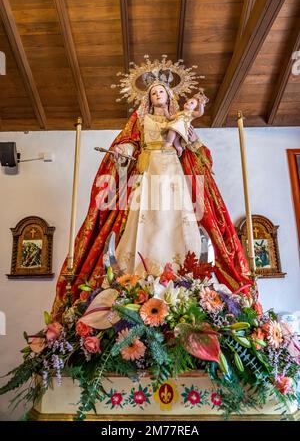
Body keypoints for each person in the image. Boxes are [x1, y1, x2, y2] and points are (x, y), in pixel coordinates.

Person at [51, 56, 252, 320]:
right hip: (148, 169)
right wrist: (123, 149)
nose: (158, 94)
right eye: (154, 92)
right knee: (142, 216)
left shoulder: (179, 118)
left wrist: (190, 139)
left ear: (169, 95)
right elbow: (130, 141)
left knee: (178, 214)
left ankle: (187, 279)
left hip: (173, 171)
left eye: (161, 91)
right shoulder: (140, 119)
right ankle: (134, 279)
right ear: (149, 98)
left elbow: (197, 151)